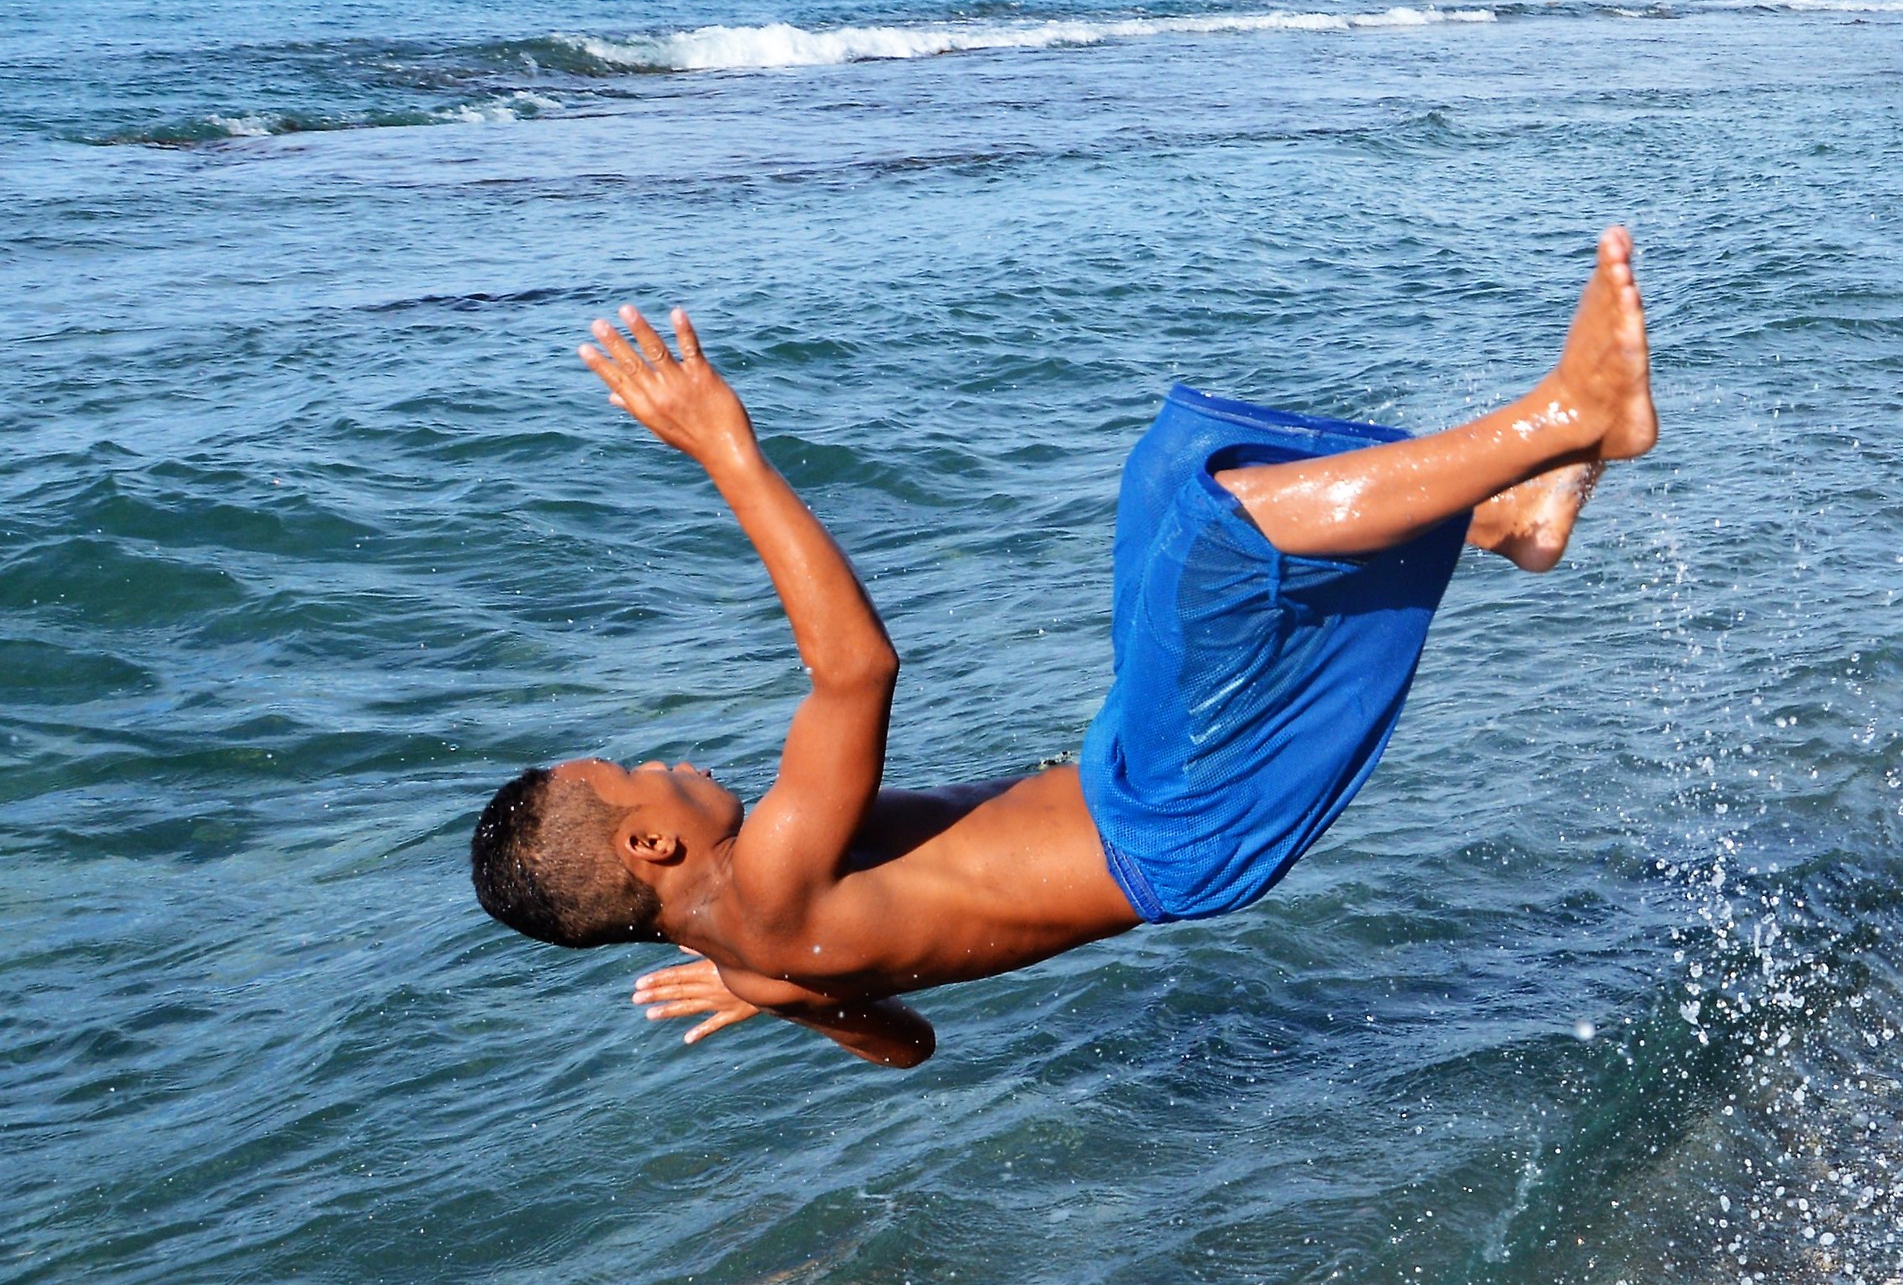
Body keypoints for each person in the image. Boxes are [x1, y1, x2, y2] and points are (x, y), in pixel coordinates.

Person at [469, 229, 1656, 1067]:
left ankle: (1508, 516)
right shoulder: (769, 882)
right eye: (644, 770)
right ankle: (1568, 416)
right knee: (1213, 533)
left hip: (1125, 784)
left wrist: (780, 1000)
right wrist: (731, 452)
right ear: (651, 841)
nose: (670, 758)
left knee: (1171, 474)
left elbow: (905, 1047)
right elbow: (857, 669)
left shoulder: (756, 953)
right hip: (1171, 828)